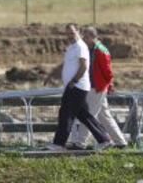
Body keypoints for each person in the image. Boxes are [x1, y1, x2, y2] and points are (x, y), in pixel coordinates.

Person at [44, 23, 111, 151]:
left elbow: (84, 66)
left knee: (65, 114)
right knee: (84, 115)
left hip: (77, 86)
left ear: (79, 32)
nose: (69, 36)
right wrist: (51, 75)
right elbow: (66, 65)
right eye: (67, 33)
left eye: (72, 33)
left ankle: (59, 144)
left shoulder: (80, 46)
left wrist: (74, 81)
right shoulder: (72, 47)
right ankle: (104, 139)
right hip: (76, 86)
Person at [68, 26, 128, 150]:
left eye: (86, 36)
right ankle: (120, 142)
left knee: (89, 115)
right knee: (105, 116)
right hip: (94, 87)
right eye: (84, 36)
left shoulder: (100, 50)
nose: (84, 38)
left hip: (97, 88)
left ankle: (80, 143)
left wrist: (108, 84)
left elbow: (108, 71)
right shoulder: (92, 49)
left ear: (93, 37)